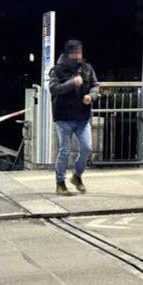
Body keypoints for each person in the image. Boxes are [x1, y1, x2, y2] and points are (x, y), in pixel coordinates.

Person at [48, 39, 100, 195]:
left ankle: (76, 176)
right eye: (75, 52)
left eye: (80, 52)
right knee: (64, 150)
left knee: (87, 147)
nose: (78, 55)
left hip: (82, 116)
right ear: (68, 53)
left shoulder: (87, 68)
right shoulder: (57, 70)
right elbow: (53, 89)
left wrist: (91, 96)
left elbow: (96, 86)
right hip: (63, 116)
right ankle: (60, 182)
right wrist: (72, 83)